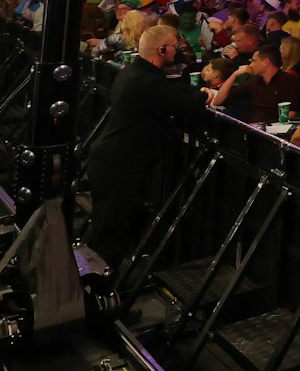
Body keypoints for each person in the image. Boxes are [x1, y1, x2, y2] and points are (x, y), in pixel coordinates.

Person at [85, 25, 219, 267]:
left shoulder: (136, 73)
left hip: (111, 160)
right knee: (110, 237)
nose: (177, 52)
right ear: (162, 49)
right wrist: (204, 96)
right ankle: (99, 291)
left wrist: (193, 91)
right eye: (174, 48)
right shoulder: (145, 82)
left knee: (110, 230)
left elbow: (171, 91)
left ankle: (100, 287)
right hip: (118, 166)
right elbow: (182, 104)